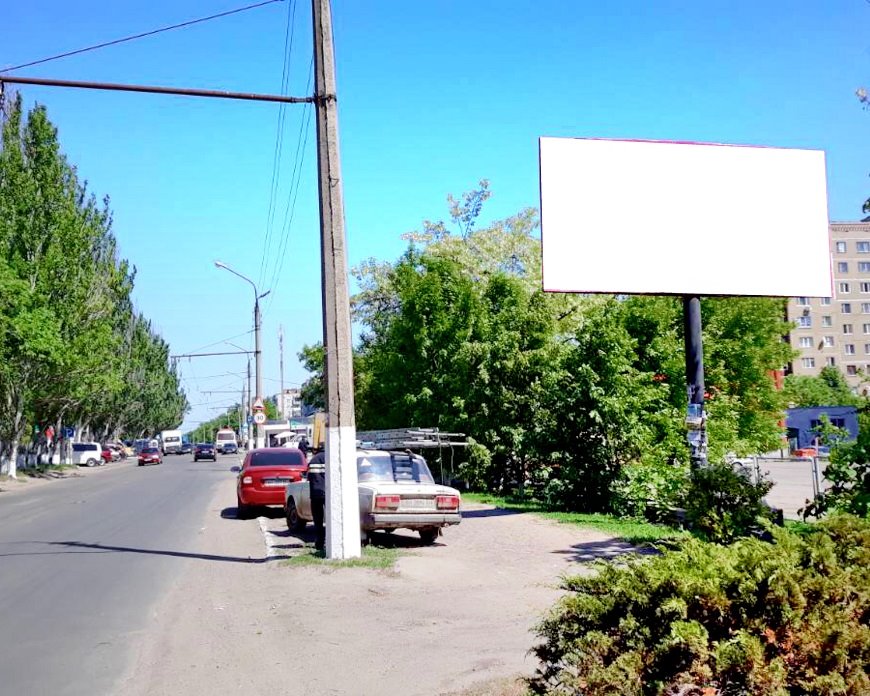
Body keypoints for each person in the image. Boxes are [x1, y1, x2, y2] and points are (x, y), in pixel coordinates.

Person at [307, 451, 326, 551]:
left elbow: (309, 477)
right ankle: (331, 542)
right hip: (329, 494)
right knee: (332, 520)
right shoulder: (331, 457)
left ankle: (319, 543)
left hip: (315, 494)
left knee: (318, 520)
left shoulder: (314, 459)